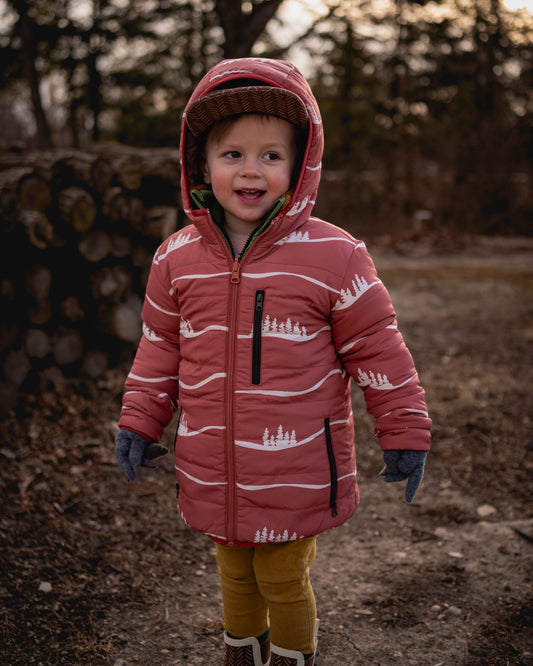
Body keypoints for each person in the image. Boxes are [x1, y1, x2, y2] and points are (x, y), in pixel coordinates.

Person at [115, 57, 431, 666]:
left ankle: (291, 657)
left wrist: (405, 430)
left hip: (296, 464)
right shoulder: (175, 258)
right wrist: (140, 418)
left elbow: (378, 347)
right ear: (200, 165)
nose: (250, 170)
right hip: (211, 462)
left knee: (283, 576)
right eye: (232, 154)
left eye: (270, 155)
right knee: (233, 572)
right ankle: (242, 652)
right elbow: (159, 346)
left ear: (301, 165)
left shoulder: (335, 256)